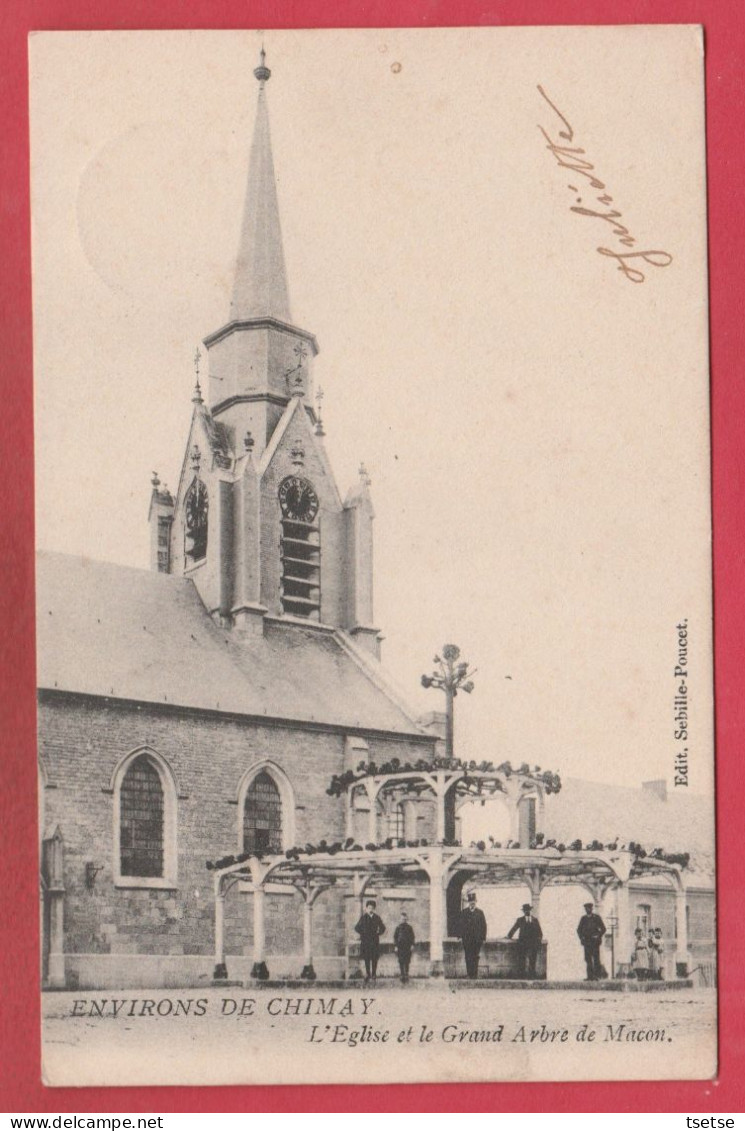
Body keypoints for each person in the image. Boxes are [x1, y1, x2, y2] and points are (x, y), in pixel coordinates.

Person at [506, 902, 543, 978]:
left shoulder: (535, 920)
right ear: (524, 912)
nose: (527, 912)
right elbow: (514, 929)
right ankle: (521, 975)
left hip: (533, 944)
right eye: (526, 910)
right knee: (521, 960)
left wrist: (538, 940)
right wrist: (509, 936)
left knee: (532, 960)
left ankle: (532, 975)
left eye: (528, 910)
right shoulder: (520, 920)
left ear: (530, 910)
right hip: (523, 944)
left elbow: (540, 932)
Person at [457, 891, 487, 979]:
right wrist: (460, 936)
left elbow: (484, 925)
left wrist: (483, 937)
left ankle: (475, 974)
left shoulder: (480, 913)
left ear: (476, 902)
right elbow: (460, 925)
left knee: (475, 956)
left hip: (477, 940)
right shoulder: (464, 912)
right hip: (467, 939)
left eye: (473, 902)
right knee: (468, 956)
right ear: (468, 903)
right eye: (470, 902)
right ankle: (469, 974)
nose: (472, 904)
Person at [355, 899, 386, 983]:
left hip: (374, 941)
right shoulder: (364, 917)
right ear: (366, 908)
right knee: (367, 958)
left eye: (372, 908)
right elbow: (356, 927)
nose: (370, 909)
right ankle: (368, 974)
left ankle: (374, 974)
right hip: (366, 941)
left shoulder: (377, 917)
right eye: (369, 908)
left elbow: (383, 927)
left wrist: (378, 932)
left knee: (374, 958)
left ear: (374, 909)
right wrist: (363, 933)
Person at [576, 901, 607, 981]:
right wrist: (581, 938)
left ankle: (596, 976)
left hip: (595, 942)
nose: (588, 909)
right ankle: (589, 976)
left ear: (591, 909)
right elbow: (578, 930)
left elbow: (603, 928)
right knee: (588, 959)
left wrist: (598, 935)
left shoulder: (596, 918)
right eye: (586, 908)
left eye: (589, 908)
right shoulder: (583, 919)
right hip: (587, 942)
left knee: (596, 958)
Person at [393, 910, 415, 983]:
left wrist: (412, 945)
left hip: (407, 947)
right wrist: (396, 946)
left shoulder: (409, 928)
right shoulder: (398, 928)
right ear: (400, 919)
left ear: (407, 919)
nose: (404, 920)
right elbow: (395, 937)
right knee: (401, 961)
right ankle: (402, 974)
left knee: (407, 961)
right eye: (402, 919)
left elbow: (412, 937)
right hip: (400, 947)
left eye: (405, 919)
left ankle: (406, 974)